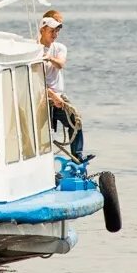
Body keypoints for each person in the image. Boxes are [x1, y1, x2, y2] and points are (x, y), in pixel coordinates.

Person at [40, 10, 89, 162]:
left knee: (76, 121)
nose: (55, 34)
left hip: (58, 97)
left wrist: (48, 58)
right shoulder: (33, 49)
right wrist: (52, 96)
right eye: (52, 31)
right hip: (41, 98)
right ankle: (44, 163)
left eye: (57, 30)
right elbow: (35, 82)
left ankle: (78, 157)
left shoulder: (59, 48)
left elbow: (60, 64)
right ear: (42, 30)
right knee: (46, 133)